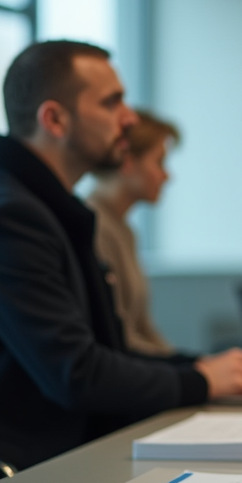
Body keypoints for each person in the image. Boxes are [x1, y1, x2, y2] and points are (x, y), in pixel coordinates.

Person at [0, 41, 242, 483]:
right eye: (111, 102)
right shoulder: (6, 218)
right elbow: (75, 374)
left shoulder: (44, 207)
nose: (131, 118)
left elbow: (105, 352)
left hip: (44, 460)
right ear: (54, 120)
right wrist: (198, 380)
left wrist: (198, 368)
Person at [87, 109, 180, 356]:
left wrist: (197, 366)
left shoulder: (124, 230)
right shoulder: (94, 228)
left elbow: (143, 328)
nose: (167, 175)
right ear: (126, 160)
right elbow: (120, 341)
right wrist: (193, 373)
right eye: (159, 162)